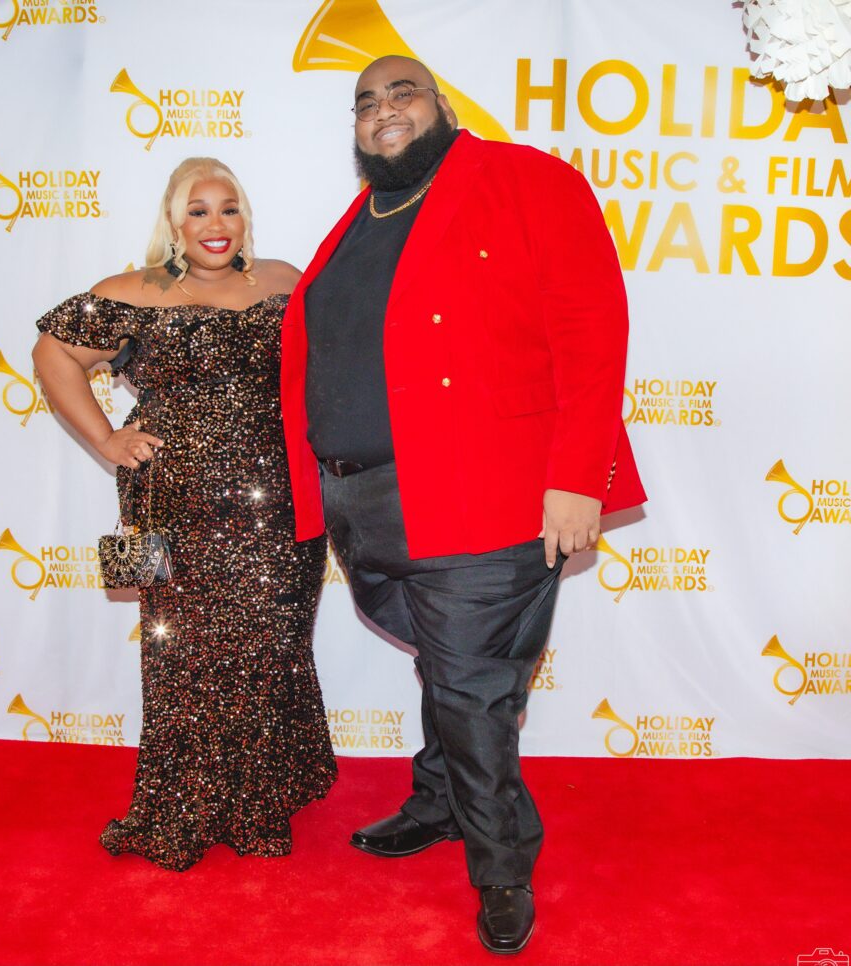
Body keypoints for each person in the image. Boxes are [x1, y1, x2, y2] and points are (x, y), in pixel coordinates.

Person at [280, 57, 646, 953]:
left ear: (441, 105)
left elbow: (592, 329)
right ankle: (442, 800)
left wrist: (576, 478)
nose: (381, 110)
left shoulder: (526, 180)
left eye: (401, 92)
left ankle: (503, 870)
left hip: (489, 496)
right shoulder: (360, 222)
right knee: (453, 672)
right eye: (364, 102)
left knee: (474, 689)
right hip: (367, 505)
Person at [32, 156, 336, 871]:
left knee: (270, 654)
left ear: (245, 218)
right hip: (177, 509)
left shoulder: (286, 281)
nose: (215, 224)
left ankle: (261, 802)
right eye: (197, 210)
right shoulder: (135, 292)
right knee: (186, 663)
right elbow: (53, 353)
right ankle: (185, 805)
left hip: (278, 511)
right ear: (173, 221)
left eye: (228, 208)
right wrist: (108, 437)